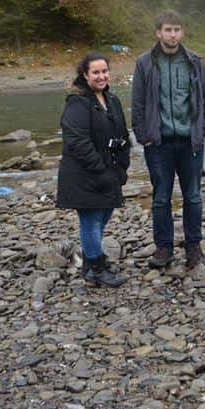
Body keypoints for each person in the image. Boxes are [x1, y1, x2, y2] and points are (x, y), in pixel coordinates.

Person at [132, 10, 205, 270]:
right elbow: (138, 103)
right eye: (168, 30)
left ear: (182, 32)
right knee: (160, 198)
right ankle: (164, 247)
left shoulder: (194, 61)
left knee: (193, 197)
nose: (173, 34)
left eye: (177, 29)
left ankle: (193, 246)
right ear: (158, 33)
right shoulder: (145, 63)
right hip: (158, 143)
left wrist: (204, 128)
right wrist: (143, 136)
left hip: (191, 142)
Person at [57, 52, 131, 288]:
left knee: (104, 216)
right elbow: (77, 142)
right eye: (96, 72)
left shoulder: (112, 99)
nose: (101, 76)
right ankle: (95, 269)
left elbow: (123, 133)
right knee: (91, 221)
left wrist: (123, 164)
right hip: (83, 174)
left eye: (104, 71)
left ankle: (91, 262)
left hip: (108, 171)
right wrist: (101, 170)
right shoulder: (77, 103)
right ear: (85, 75)